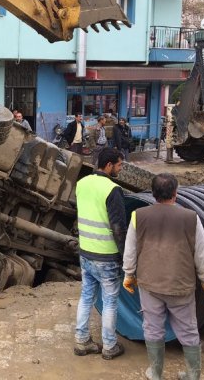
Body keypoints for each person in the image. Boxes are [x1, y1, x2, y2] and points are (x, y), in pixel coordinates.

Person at [122, 173, 204, 380]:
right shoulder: (191, 217)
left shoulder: (139, 215)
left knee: (153, 328)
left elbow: (130, 249)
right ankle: (192, 375)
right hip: (180, 284)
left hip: (150, 284)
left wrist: (128, 274)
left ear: (153, 194)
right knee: (188, 330)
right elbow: (201, 253)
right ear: (176, 192)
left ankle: (155, 373)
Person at [74, 148, 127, 360]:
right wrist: (125, 257)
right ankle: (109, 346)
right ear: (108, 165)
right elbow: (118, 228)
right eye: (119, 165)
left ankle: (81, 341)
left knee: (86, 297)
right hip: (107, 256)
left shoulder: (82, 183)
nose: (120, 170)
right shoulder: (112, 189)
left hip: (85, 253)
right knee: (110, 302)